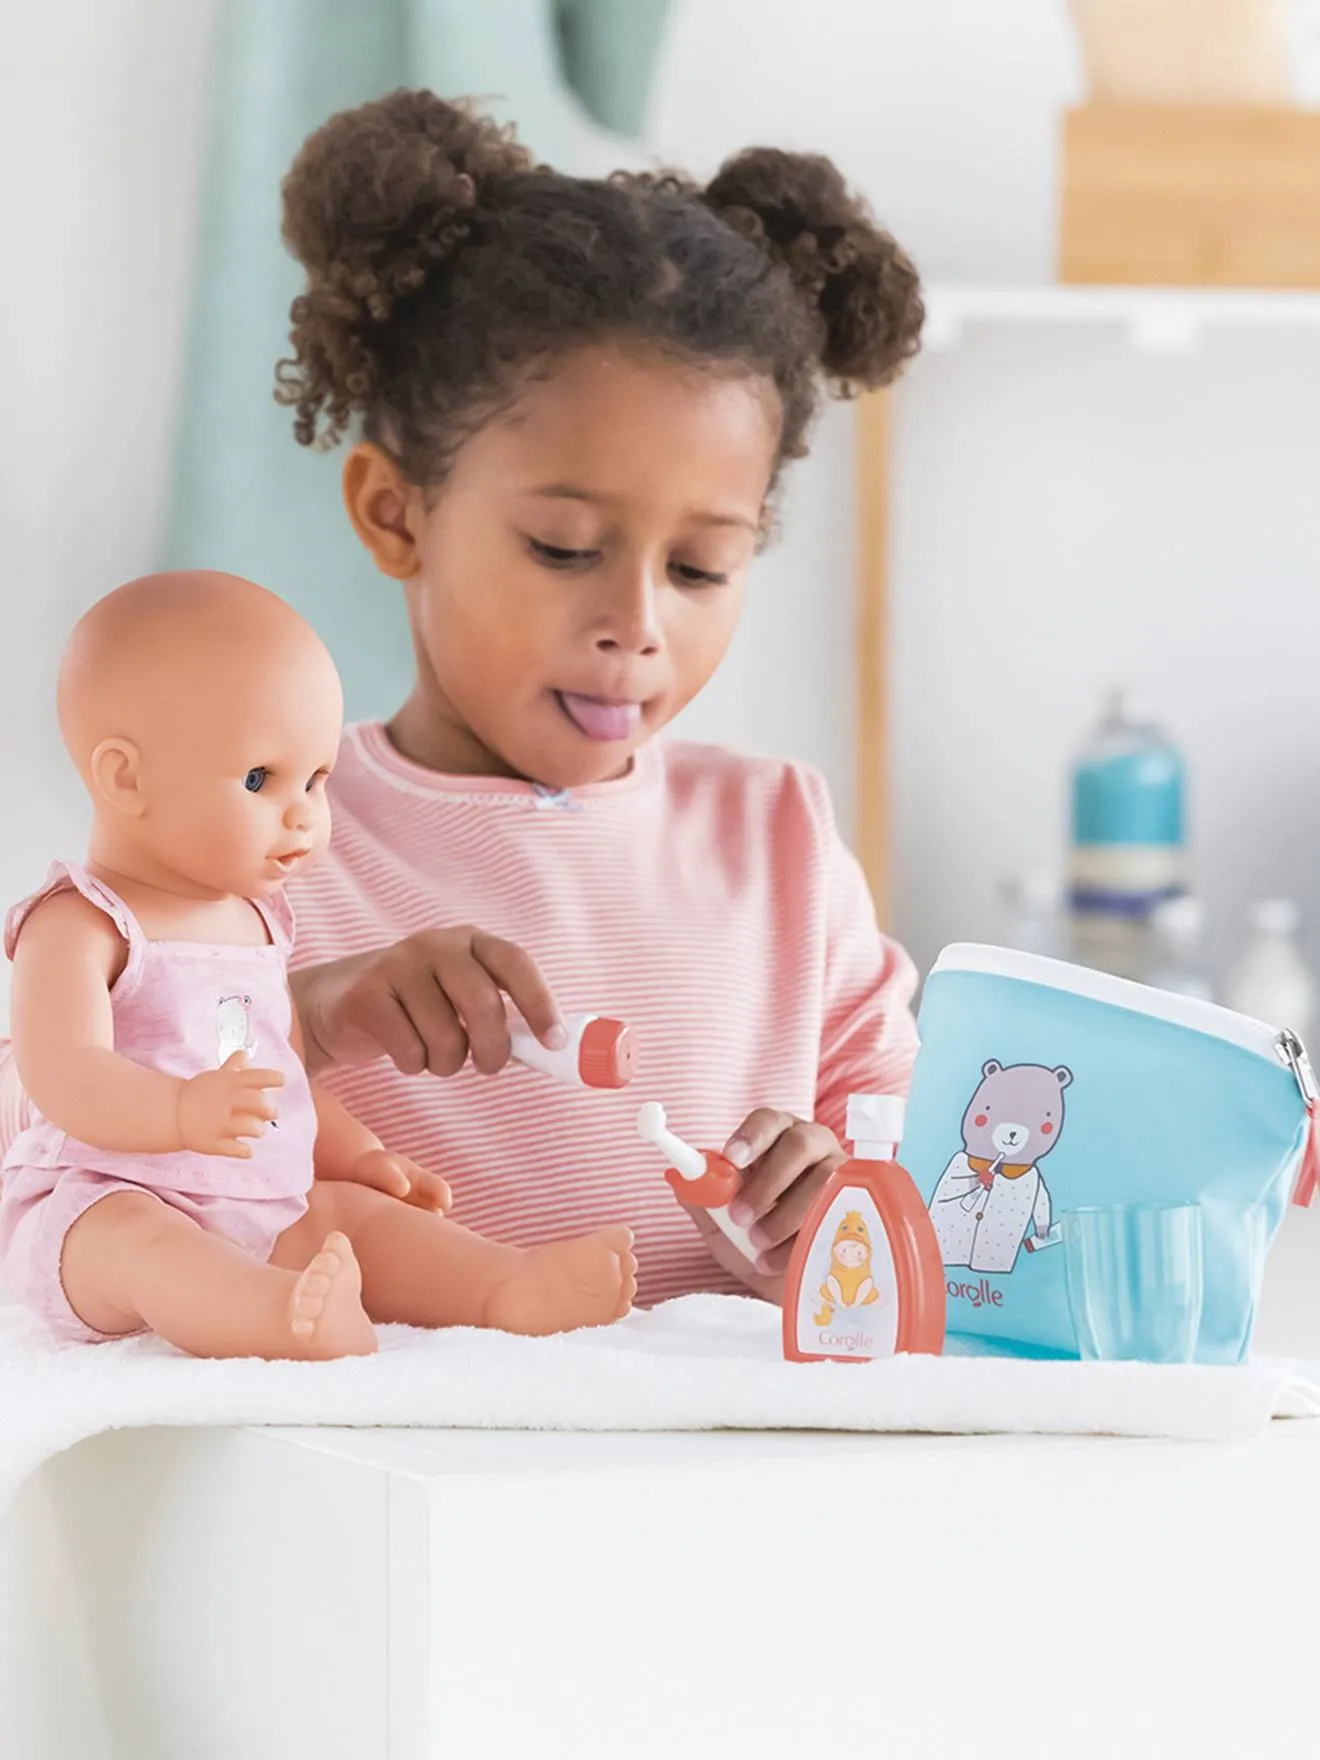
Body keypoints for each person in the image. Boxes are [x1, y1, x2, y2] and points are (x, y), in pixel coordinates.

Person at [2, 88, 924, 1310]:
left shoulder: (784, 841)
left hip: (719, 1474)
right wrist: (320, 1015)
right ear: (397, 512)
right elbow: (74, 1137)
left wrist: (838, 1189)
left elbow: (926, 1169)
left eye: (701, 565)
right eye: (561, 545)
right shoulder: (263, 846)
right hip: (404, 1481)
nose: (637, 627)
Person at [0, 572, 636, 1356]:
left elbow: (283, 1082)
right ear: (126, 779)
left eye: (317, 779)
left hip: (257, 1205)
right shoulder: (80, 923)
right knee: (142, 1244)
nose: (303, 812)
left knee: (349, 1218)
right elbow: (62, 1075)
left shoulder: (259, 924)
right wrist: (179, 1112)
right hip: (97, 1206)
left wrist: (360, 1154)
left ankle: (505, 1286)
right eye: (262, 779)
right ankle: (276, 1321)